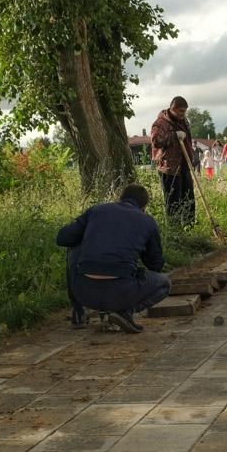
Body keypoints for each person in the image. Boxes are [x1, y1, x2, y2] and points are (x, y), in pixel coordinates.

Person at [56, 184, 170, 334]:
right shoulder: (147, 221)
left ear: (120, 199)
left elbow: (63, 238)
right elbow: (156, 265)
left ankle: (77, 312)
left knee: (74, 247)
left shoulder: (96, 210)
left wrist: (90, 235)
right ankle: (126, 312)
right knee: (164, 284)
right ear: (144, 207)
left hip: (83, 292)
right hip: (122, 293)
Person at [150, 96, 195, 224]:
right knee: (173, 202)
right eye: (181, 111)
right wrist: (173, 135)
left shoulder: (184, 121)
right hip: (169, 168)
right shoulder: (160, 123)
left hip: (185, 166)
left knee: (189, 200)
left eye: (185, 111)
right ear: (173, 109)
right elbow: (156, 141)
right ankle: (175, 231)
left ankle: (189, 228)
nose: (183, 114)